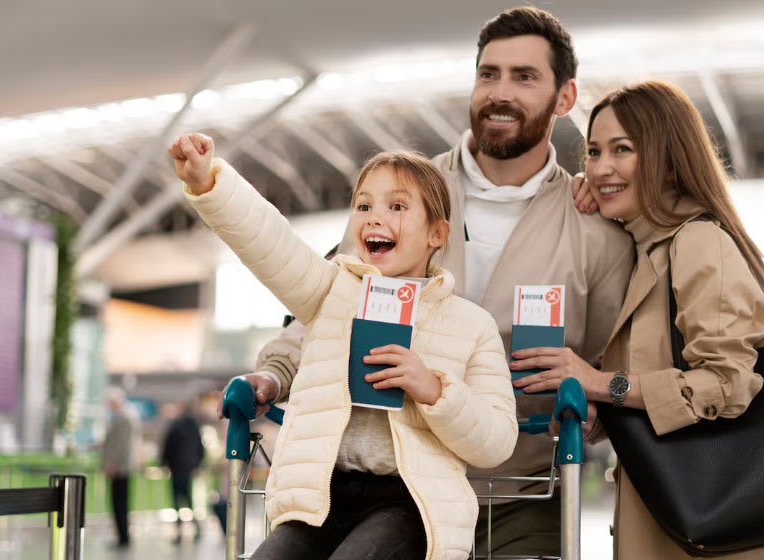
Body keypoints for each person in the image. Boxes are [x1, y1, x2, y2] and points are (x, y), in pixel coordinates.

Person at [227, 6, 635, 556]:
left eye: (525, 76)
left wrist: (591, 406)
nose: (500, 91)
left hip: (523, 495)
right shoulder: (403, 197)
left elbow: (619, 364)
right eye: (488, 73)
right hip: (390, 480)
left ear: (566, 98)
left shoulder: (595, 231)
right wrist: (275, 374)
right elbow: (332, 301)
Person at [171, 135, 519, 560]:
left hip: (411, 505)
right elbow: (270, 243)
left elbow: (497, 441)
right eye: (364, 205)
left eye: (397, 206)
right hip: (320, 498)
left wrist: (434, 389)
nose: (375, 218)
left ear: (437, 232)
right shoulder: (331, 291)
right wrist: (211, 183)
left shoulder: (471, 325)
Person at [519, 80, 764, 558]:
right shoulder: (642, 254)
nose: (600, 168)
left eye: (623, 149)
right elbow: (654, 389)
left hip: (724, 530)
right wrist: (596, 416)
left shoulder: (697, 242)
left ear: (670, 161)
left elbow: (725, 385)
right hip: (675, 516)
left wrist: (600, 383)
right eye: (593, 152)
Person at [160, 398, 206, 544]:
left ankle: (179, 532)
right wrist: (198, 463)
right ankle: (196, 529)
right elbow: (200, 446)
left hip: (176, 467)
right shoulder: (194, 425)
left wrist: (164, 463)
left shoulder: (175, 425)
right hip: (189, 467)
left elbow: (167, 445)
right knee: (189, 499)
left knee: (176, 500)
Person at [101, 386, 139, 549]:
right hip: (120, 467)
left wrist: (112, 463)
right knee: (119, 503)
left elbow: (121, 445)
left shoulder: (124, 417)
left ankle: (123, 538)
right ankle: (121, 536)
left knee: (120, 503)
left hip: (120, 468)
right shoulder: (123, 416)